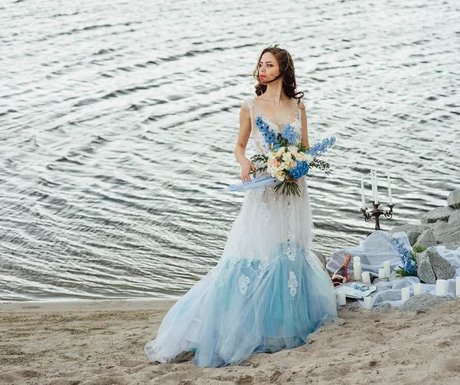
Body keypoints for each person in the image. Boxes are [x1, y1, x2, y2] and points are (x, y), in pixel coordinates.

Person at [144, 45, 337, 368]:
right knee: (256, 252)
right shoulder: (250, 106)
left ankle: (282, 326)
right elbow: (239, 145)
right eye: (260, 64)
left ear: (283, 69)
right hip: (262, 189)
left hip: (291, 189)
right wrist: (244, 162)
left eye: (268, 64)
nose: (261, 70)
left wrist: (296, 166)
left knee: (289, 250)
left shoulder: (298, 106)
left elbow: (304, 149)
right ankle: (242, 326)